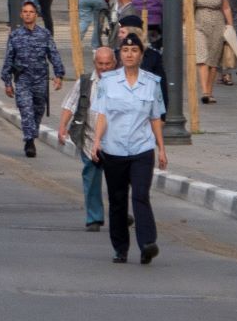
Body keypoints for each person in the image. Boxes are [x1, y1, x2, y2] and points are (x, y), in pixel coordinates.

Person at [90, 33, 168, 264]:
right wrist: (96, 141)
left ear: (141, 55)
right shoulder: (108, 82)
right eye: (125, 51)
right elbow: (102, 114)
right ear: (120, 54)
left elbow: (155, 118)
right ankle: (120, 248)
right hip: (113, 149)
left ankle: (147, 243)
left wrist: (161, 148)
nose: (129, 54)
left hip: (142, 149)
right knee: (117, 199)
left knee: (141, 195)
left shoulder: (152, 83)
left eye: (134, 51)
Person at [62, 46, 117, 233]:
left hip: (115, 141)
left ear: (114, 63)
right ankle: (94, 217)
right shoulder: (85, 82)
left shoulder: (122, 82)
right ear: (95, 64)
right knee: (91, 178)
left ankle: (120, 213)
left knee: (118, 181)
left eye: (107, 64)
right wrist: (62, 126)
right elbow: (70, 103)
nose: (104, 68)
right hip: (89, 138)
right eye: (100, 64)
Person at [0, 0, 65, 157]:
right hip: (23, 79)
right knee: (26, 109)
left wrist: (59, 74)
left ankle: (32, 133)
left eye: (31, 12)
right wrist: (7, 82)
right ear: (21, 15)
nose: (28, 14)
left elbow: (53, 54)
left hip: (40, 80)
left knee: (37, 110)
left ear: (36, 15)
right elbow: (8, 59)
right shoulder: (15, 35)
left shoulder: (44, 34)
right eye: (25, 11)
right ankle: (29, 142)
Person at [192, 0, 232, 104]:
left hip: (217, 23)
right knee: (201, 58)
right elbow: (188, 8)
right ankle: (204, 91)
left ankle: (209, 92)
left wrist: (230, 26)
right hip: (200, 23)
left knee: (213, 61)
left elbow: (226, 7)